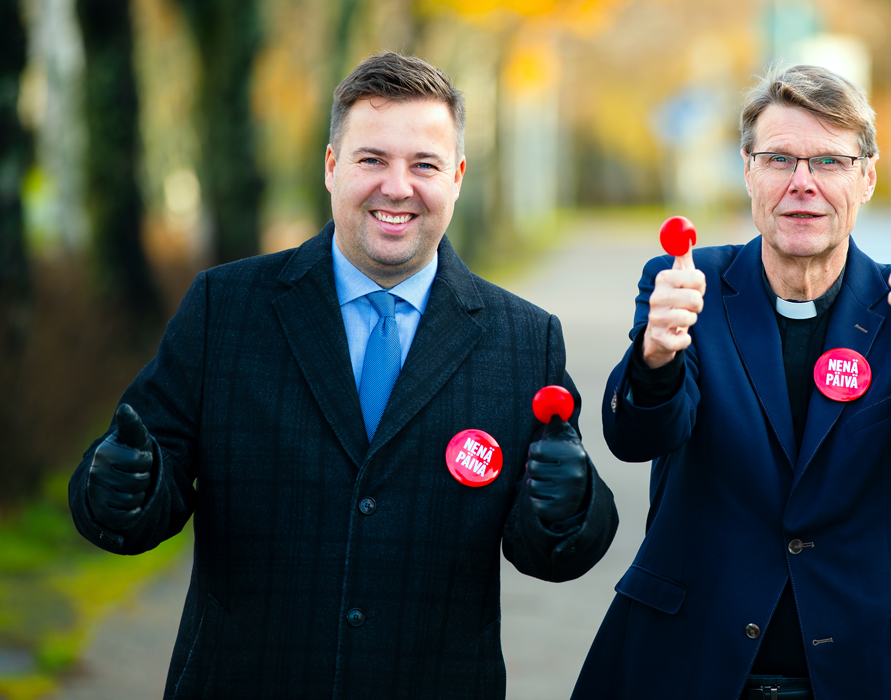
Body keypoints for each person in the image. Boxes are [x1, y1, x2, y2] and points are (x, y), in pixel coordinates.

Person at [69, 52, 618, 699]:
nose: (397, 186)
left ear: (458, 177)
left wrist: (568, 509)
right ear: (331, 167)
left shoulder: (524, 340)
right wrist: (123, 487)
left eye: (424, 165)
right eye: (371, 159)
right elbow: (138, 494)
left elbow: (550, 548)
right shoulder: (226, 309)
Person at [572, 64, 891, 700]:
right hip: (688, 659)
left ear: (867, 178)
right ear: (749, 171)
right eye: (780, 159)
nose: (802, 184)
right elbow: (635, 435)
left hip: (870, 667)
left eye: (829, 162)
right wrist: (655, 355)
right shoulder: (687, 283)